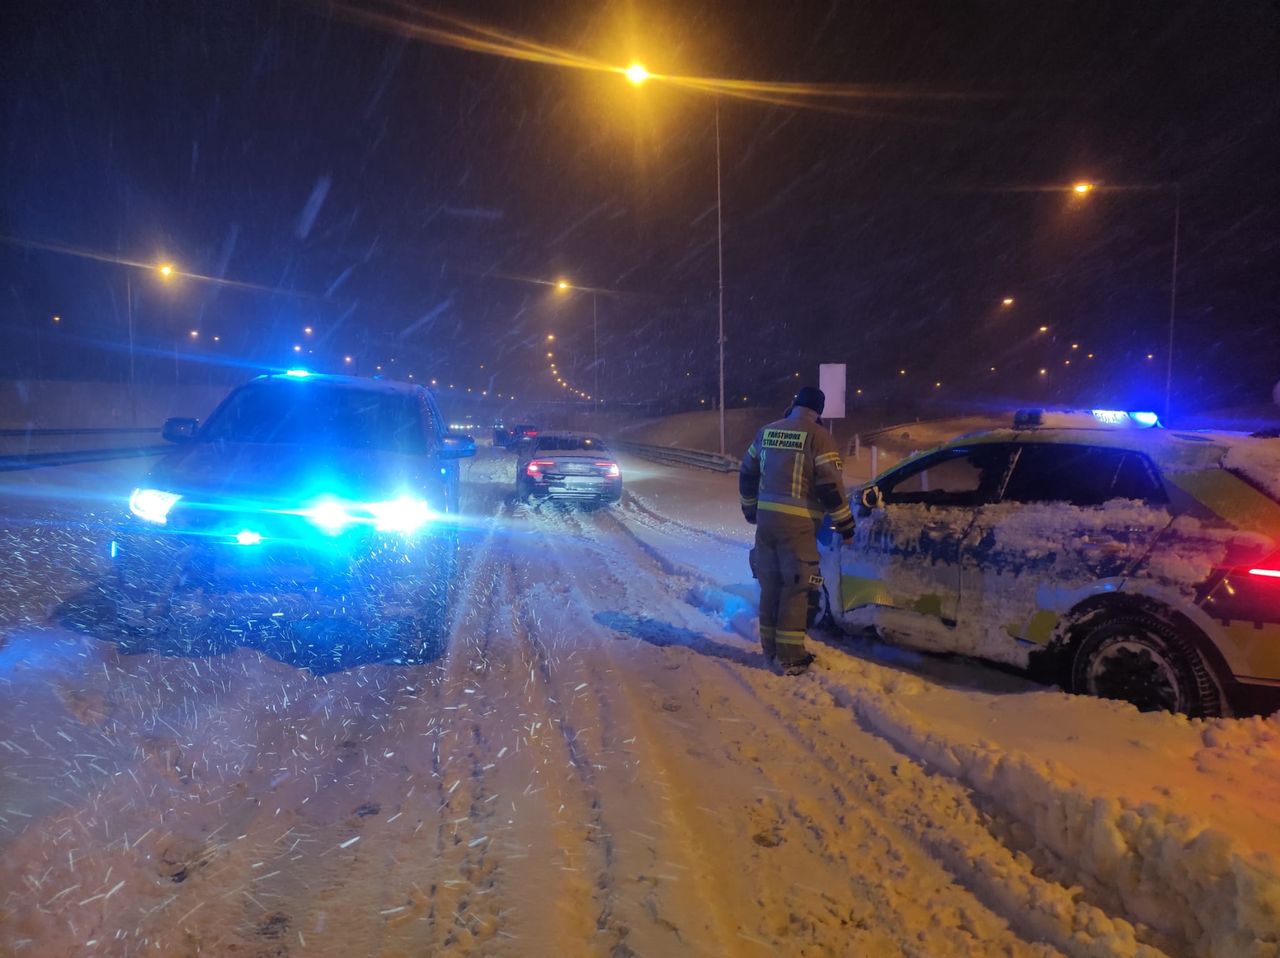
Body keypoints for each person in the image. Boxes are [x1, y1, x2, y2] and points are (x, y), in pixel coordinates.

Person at [739, 386, 855, 675]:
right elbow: (830, 486)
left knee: (771, 585)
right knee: (796, 588)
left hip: (766, 523)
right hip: (799, 525)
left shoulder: (767, 431)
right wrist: (846, 525)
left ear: (794, 403)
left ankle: (770, 648)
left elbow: (747, 471)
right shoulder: (820, 437)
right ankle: (790, 656)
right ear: (819, 411)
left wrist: (751, 509)